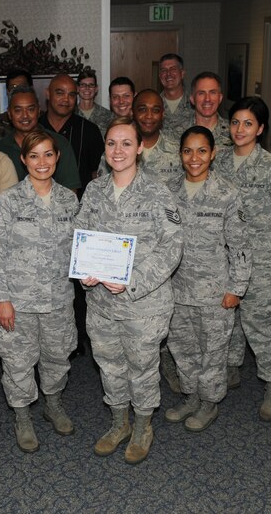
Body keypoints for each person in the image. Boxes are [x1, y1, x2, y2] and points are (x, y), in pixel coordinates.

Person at [76, 117, 182, 465]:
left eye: (126, 143)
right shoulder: (95, 190)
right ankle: (119, 422)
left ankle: (142, 427)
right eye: (111, 143)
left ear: (140, 148)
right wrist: (83, 272)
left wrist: (132, 280)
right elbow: (80, 235)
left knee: (142, 367)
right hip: (102, 303)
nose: (118, 150)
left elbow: (172, 247)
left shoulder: (157, 192)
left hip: (143, 305)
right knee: (109, 366)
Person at [0, 131, 79, 453]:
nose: (42, 162)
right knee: (18, 362)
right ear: (23, 160)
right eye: (34, 156)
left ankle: (53, 404)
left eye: (48, 154)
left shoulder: (69, 200)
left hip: (58, 299)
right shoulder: (8, 201)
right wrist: (1, 300)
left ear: (57, 157)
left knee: (57, 357)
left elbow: (79, 248)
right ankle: (22, 417)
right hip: (18, 301)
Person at [213, 96, 271, 421]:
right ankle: (232, 367)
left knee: (260, 323)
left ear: (260, 129)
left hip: (262, 263)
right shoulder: (218, 162)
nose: (240, 129)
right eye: (235, 122)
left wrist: (266, 247)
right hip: (226, 259)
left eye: (248, 123)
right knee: (229, 318)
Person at [165, 126, 251, 431]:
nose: (194, 158)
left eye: (202, 150)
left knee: (213, 351)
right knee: (182, 348)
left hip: (214, 291)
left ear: (213, 153)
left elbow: (240, 246)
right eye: (188, 151)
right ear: (180, 154)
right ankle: (191, 397)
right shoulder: (167, 192)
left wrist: (236, 288)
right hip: (175, 289)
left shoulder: (227, 194)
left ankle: (209, 403)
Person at [0, 86, 81, 192]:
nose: (25, 116)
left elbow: (70, 191)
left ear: (38, 111)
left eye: (30, 109)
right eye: (18, 110)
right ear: (9, 113)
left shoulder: (59, 143)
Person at [39, 74, 104, 191]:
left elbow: (98, 173)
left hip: (80, 200)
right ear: (48, 93)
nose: (66, 99)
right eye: (60, 93)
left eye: (72, 95)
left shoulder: (89, 130)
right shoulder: (36, 128)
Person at [188, 72, 232, 147]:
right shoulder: (176, 132)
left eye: (213, 93)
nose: (207, 99)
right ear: (192, 99)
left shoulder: (234, 132)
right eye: (201, 93)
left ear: (220, 98)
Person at [0, 69, 33, 144]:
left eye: (22, 86)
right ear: (7, 91)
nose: (18, 90)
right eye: (13, 87)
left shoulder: (40, 118)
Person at [158, 54, 194, 138]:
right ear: (160, 76)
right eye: (164, 70)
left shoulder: (195, 104)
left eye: (173, 69)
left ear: (182, 73)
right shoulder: (153, 105)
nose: (168, 74)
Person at [75, 69, 114, 138]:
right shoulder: (70, 115)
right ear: (77, 88)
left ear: (96, 89)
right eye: (83, 85)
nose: (87, 88)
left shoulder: (108, 116)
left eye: (91, 85)